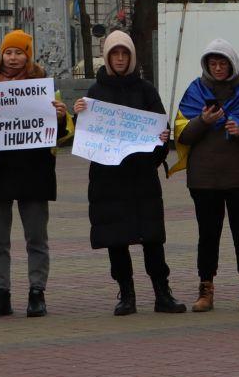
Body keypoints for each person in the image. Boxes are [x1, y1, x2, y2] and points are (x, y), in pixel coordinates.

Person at [0, 29, 72, 320]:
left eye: (19, 52)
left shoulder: (43, 89)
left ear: (28, 55)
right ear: (2, 55)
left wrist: (61, 118)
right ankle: (1, 294)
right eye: (8, 52)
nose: (13, 58)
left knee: (36, 237)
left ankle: (37, 293)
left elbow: (59, 136)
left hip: (33, 172)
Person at [75, 30, 180, 316]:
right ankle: (126, 294)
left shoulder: (146, 90)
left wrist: (161, 142)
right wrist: (78, 114)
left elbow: (161, 132)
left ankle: (162, 292)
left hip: (141, 177)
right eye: (115, 54)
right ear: (108, 58)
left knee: (152, 237)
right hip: (109, 180)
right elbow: (86, 137)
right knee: (116, 238)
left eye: (125, 54)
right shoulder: (95, 93)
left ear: (132, 57)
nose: (120, 59)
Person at [172, 39, 239, 313]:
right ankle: (206, 288)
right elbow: (182, 134)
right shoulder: (195, 92)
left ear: (232, 64)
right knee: (208, 235)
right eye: (213, 63)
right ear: (206, 65)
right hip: (204, 179)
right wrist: (202, 121)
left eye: (223, 63)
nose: (218, 68)